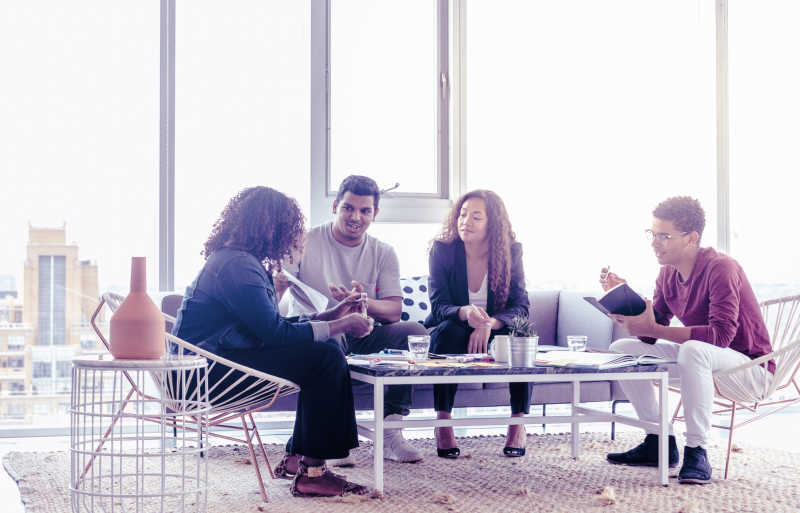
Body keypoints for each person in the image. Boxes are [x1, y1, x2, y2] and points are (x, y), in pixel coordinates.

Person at [172, 186, 373, 497]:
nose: (293, 236)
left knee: (325, 350)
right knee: (326, 357)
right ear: (271, 227)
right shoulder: (238, 266)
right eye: (289, 227)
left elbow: (269, 327)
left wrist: (329, 315)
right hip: (204, 377)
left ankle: (298, 460)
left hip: (212, 365)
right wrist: (340, 324)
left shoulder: (237, 260)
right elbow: (275, 334)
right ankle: (312, 474)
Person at [602, 196, 773, 484]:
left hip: (751, 370)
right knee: (622, 350)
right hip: (704, 364)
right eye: (653, 234)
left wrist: (655, 330)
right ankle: (659, 439)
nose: (655, 243)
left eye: (664, 236)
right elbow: (651, 332)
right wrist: (626, 306)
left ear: (692, 238)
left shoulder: (722, 268)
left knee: (694, 350)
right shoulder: (667, 274)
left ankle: (697, 451)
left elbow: (720, 335)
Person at [278, 175, 429, 464]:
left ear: (375, 214)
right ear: (335, 206)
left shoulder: (383, 252)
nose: (355, 217)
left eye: (364, 210)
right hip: (317, 334)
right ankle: (327, 440)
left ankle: (391, 434)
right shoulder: (304, 241)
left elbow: (394, 311)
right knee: (332, 336)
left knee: (414, 331)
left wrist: (361, 302)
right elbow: (279, 291)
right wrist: (277, 287)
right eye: (348, 208)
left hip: (361, 332)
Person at [425, 189, 531, 458]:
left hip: (495, 330)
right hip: (455, 325)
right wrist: (464, 312)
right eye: (462, 215)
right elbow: (438, 306)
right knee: (446, 333)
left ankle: (517, 422)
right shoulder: (443, 250)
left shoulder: (510, 252)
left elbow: (521, 307)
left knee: (522, 338)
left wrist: (491, 323)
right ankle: (443, 422)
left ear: (492, 223)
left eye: (475, 217)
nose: (465, 222)